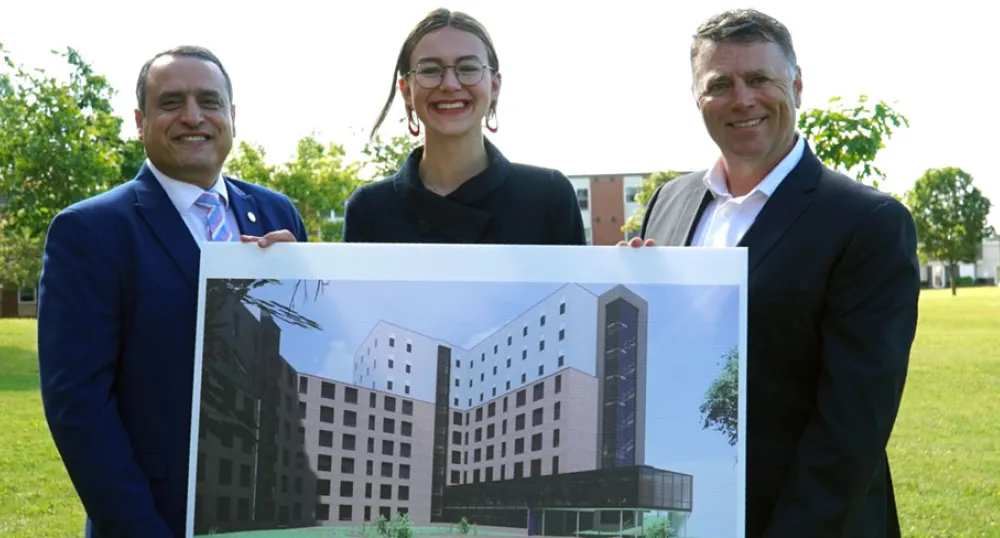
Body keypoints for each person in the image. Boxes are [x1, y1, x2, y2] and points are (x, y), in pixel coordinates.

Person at [624, 9, 919, 538]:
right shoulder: (668, 202)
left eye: (759, 79)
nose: (742, 99)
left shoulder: (868, 222)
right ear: (697, 99)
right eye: (719, 84)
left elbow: (852, 426)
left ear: (797, 86)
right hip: (680, 515)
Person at [36, 46, 306, 538]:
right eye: (171, 102)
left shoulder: (277, 215)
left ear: (231, 117)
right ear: (140, 121)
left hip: (274, 512)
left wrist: (304, 280)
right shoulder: (90, 231)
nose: (192, 117)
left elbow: (303, 357)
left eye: (209, 101)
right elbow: (78, 406)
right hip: (154, 516)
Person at [342, 8, 586, 245]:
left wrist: (621, 270)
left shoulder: (549, 197)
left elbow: (580, 286)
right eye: (430, 70)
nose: (450, 84)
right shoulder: (368, 209)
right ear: (406, 90)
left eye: (468, 68)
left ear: (495, 86)